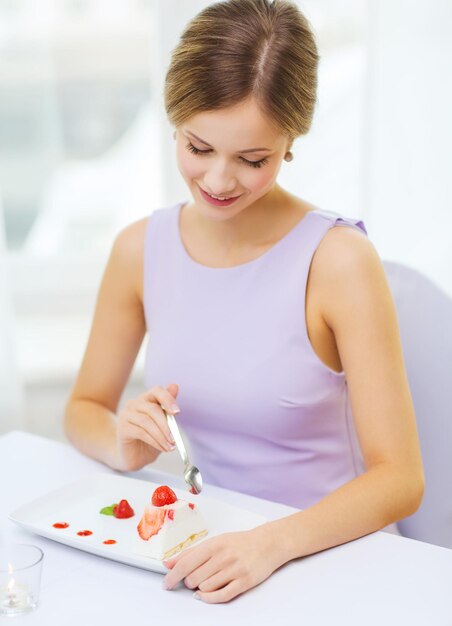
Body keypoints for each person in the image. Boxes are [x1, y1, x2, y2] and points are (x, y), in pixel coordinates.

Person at [64, 0, 424, 604]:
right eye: (198, 148)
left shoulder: (337, 261)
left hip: (327, 558)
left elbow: (400, 480)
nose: (219, 182)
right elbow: (84, 407)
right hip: (209, 552)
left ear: (290, 143)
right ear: (174, 124)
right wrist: (122, 443)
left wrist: (271, 543)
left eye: (252, 159)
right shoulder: (140, 250)